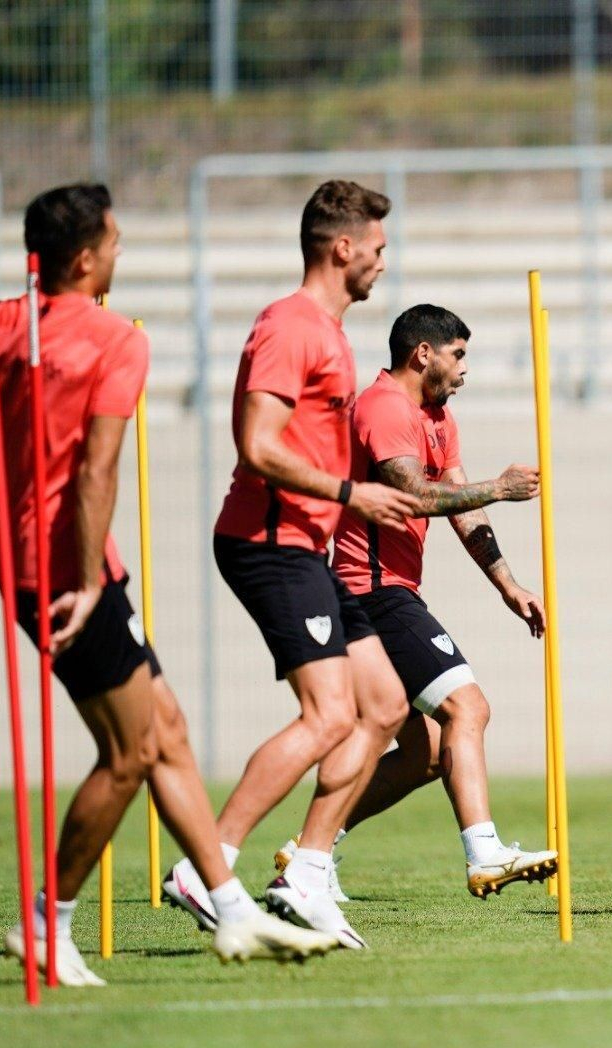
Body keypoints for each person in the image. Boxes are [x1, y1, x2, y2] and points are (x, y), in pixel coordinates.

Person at [0, 184, 338, 986]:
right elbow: (96, 473)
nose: (122, 254)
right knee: (128, 753)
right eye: (117, 242)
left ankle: (232, 912)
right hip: (66, 573)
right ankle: (46, 922)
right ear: (85, 257)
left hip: (39, 562)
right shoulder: (113, 340)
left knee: (167, 730)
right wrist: (89, 583)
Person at [163, 180, 418, 950]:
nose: (383, 261)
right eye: (377, 248)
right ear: (343, 248)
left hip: (311, 543)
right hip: (269, 540)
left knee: (385, 707)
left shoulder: (333, 334)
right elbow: (258, 445)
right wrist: (352, 493)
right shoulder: (288, 326)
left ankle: (305, 873)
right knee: (328, 715)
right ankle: (207, 865)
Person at [273, 303, 557, 900]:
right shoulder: (382, 408)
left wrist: (508, 584)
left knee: (425, 753)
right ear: (421, 353)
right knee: (467, 709)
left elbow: (459, 503)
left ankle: (307, 855)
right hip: (369, 590)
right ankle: (484, 854)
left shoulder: (438, 417)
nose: (464, 370)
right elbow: (416, 496)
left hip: (386, 592)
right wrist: (503, 488)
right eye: (458, 355)